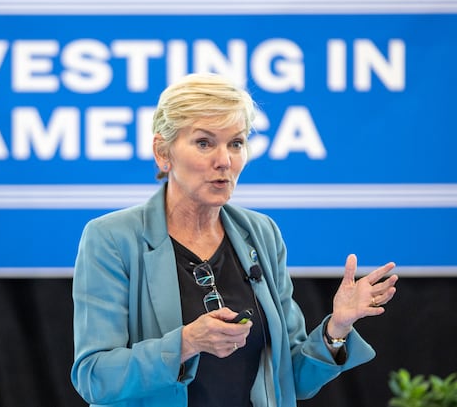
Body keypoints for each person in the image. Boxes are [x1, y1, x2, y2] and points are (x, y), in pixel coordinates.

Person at [70, 73, 398, 407]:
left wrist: (336, 330)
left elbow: (291, 378)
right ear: (162, 151)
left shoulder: (261, 232)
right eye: (204, 143)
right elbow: (95, 377)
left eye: (236, 143)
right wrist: (186, 342)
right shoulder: (112, 238)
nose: (224, 160)